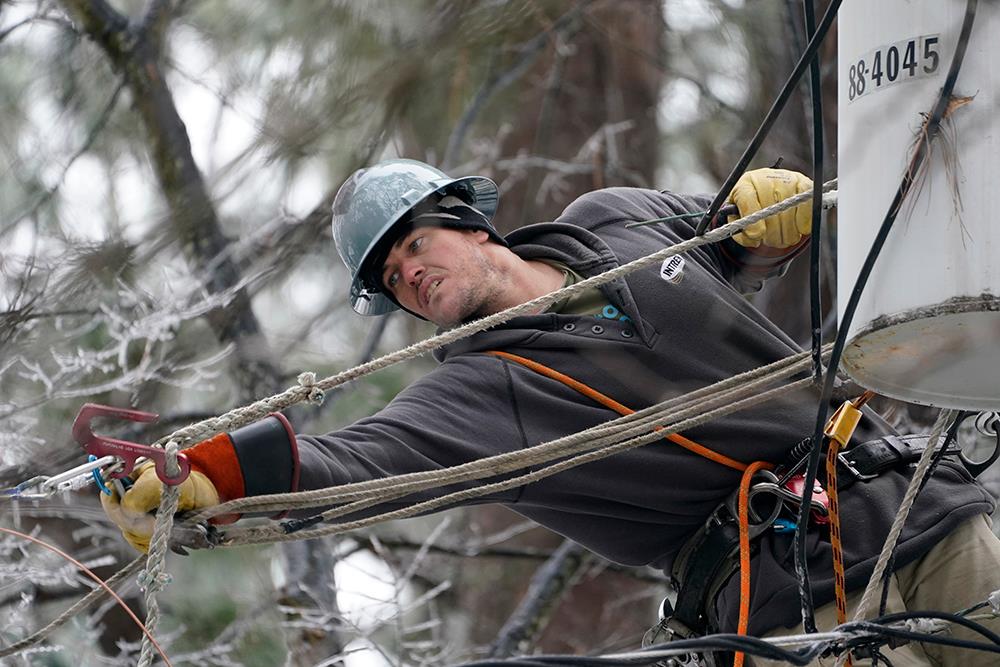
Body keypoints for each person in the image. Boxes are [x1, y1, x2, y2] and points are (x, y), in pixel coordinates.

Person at [102, 159, 1000, 666]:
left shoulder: (615, 223)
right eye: (392, 279)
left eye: (416, 245)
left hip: (924, 504)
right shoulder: (480, 392)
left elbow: (736, 233)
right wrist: (211, 471)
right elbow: (354, 460)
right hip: (797, 602)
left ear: (470, 223)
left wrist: (769, 213)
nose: (410, 275)